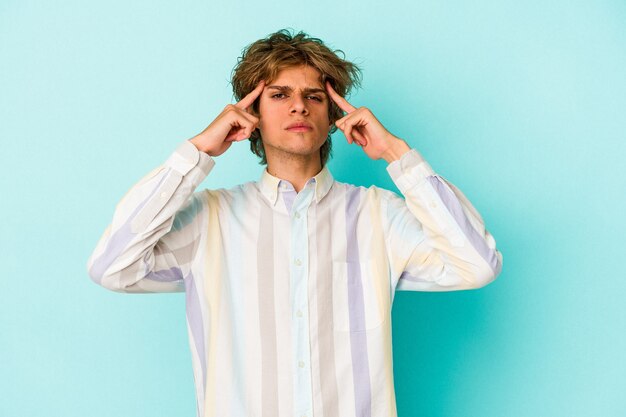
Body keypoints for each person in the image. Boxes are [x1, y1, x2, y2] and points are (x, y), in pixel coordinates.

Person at [87, 28, 503, 417]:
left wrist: (397, 153)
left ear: (334, 116)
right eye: (279, 94)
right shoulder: (209, 220)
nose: (298, 105)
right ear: (250, 114)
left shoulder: (380, 215)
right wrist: (197, 153)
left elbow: (478, 263)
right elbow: (112, 267)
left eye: (313, 97)